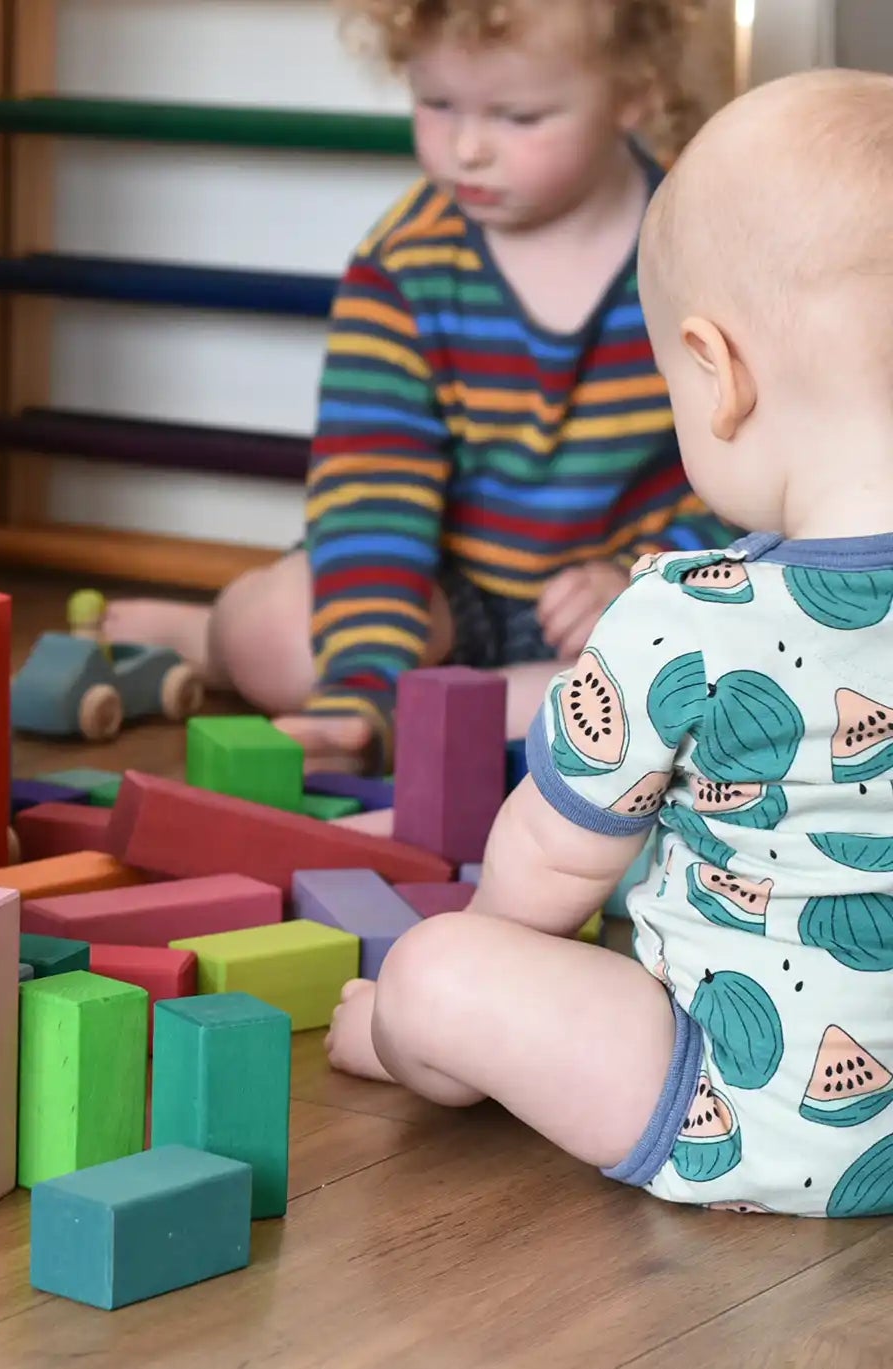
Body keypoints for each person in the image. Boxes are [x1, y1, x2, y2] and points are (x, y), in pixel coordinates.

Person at [326, 68, 893, 1219]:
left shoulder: (689, 612)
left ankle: (412, 1040)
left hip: (743, 1112)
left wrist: (459, 1012)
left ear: (716, 375)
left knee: (435, 972)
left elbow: (545, 867)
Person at [115, 0, 734, 773]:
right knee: (273, 634)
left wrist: (648, 580)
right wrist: (359, 686)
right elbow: (372, 492)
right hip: (440, 592)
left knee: (711, 681)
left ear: (633, 91)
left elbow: (751, 462)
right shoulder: (402, 269)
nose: (466, 148)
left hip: (624, 602)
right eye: (436, 104)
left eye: (519, 115)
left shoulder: (701, 252)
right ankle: (205, 641)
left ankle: (452, 710)